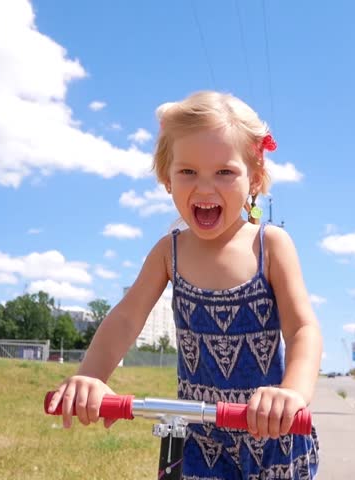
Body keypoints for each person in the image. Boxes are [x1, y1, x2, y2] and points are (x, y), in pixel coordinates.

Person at [46, 91, 322, 479]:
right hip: (197, 440)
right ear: (166, 178)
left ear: (255, 177)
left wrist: (292, 392)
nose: (205, 188)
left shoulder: (270, 245)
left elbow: (302, 327)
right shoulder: (168, 253)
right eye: (188, 172)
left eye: (224, 172)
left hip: (271, 431)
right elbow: (126, 319)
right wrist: (91, 378)